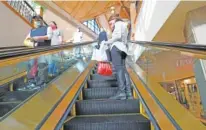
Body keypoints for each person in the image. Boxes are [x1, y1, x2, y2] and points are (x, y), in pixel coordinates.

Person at [18, 15, 52, 91]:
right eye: (35, 20)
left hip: (43, 51)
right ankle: (31, 83)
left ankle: (41, 84)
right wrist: (31, 42)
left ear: (42, 20)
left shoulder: (47, 28)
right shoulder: (32, 30)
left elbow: (49, 36)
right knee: (30, 66)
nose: (37, 22)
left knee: (42, 67)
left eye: (38, 20)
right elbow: (26, 40)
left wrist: (38, 38)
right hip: (33, 52)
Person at [104, 14, 132, 100]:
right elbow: (125, 40)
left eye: (111, 23)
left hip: (116, 48)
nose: (111, 25)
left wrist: (107, 42)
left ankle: (121, 92)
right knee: (124, 71)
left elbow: (117, 36)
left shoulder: (118, 23)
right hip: (123, 49)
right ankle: (128, 93)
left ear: (114, 19)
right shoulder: (125, 25)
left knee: (119, 70)